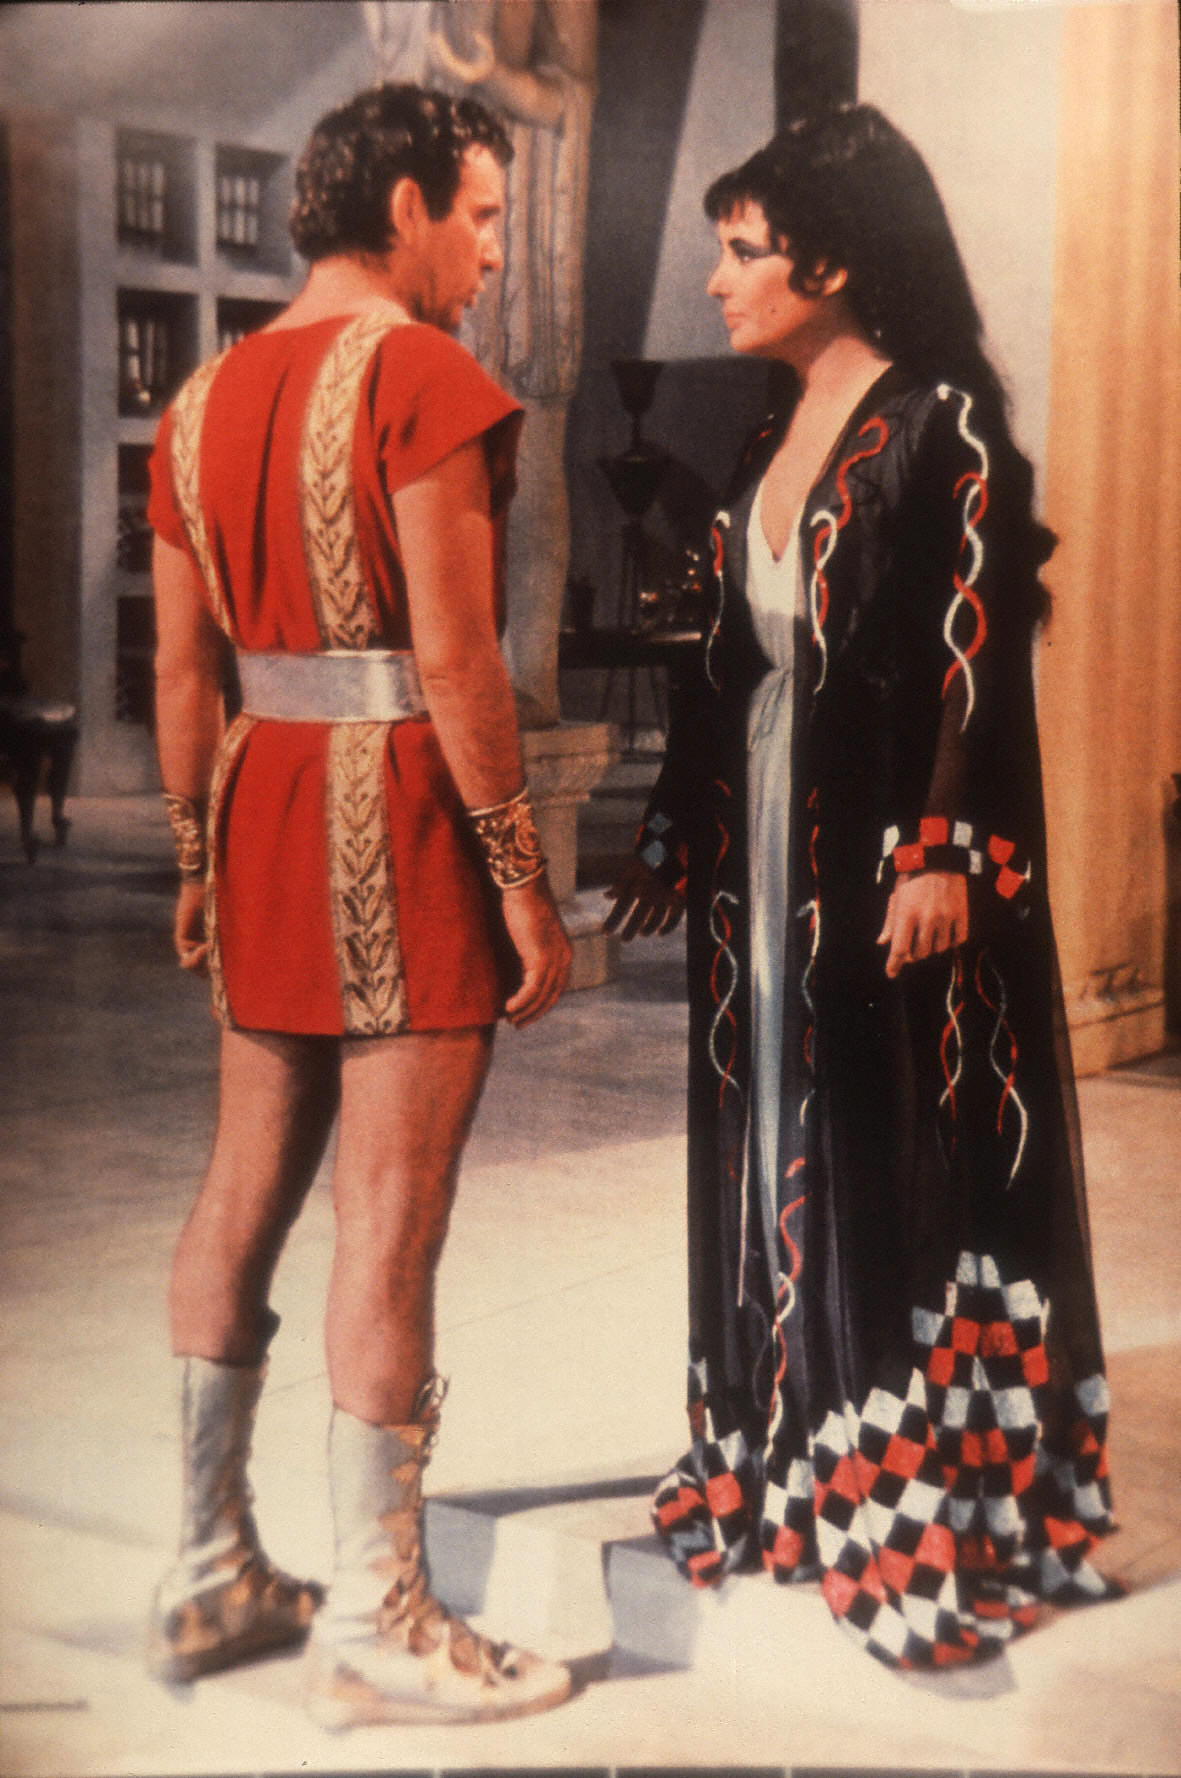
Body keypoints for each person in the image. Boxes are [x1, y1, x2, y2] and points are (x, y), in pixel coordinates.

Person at [606, 104, 1119, 1670]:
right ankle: (782, 1459)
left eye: (740, 251)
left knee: (884, 1149)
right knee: (775, 1128)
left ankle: (902, 1507)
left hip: (882, 861)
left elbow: (975, 658)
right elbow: (726, 657)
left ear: (826, 265)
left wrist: (946, 849)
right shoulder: (769, 430)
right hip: (764, 860)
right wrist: (674, 822)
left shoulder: (939, 422)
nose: (714, 280)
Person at [145, 83, 573, 1727]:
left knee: (240, 1185)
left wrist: (194, 853)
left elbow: (181, 668)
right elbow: (456, 657)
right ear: (403, 206)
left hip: (260, 794)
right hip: (395, 807)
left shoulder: (199, 400)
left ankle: (208, 1565)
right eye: (478, 215)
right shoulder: (423, 375)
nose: (489, 252)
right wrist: (523, 881)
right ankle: (379, 1620)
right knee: (388, 1215)